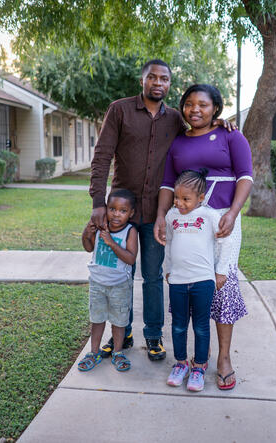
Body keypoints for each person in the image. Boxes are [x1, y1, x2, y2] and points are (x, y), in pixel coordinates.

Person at [89, 60, 235, 362]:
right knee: (120, 273)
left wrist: (220, 124)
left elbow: (198, 130)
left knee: (153, 275)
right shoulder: (120, 110)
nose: (158, 82)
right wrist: (97, 203)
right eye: (152, 77)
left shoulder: (174, 120)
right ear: (142, 80)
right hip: (123, 210)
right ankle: (122, 330)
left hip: (160, 211)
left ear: (170, 84)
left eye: (164, 78)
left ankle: (153, 337)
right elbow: (102, 156)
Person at [154, 84, 253, 390]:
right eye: (189, 104)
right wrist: (160, 215)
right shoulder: (178, 142)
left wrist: (233, 213)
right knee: (189, 285)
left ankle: (223, 358)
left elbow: (246, 176)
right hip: (187, 225)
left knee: (221, 284)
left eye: (203, 104)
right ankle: (190, 359)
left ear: (216, 108)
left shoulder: (230, 135)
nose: (195, 109)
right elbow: (168, 184)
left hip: (222, 221)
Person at [163, 169, 232, 392]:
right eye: (176, 197)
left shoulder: (211, 216)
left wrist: (220, 272)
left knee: (201, 327)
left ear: (200, 198)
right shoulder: (171, 216)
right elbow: (169, 244)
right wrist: (168, 269)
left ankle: (199, 367)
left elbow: (224, 243)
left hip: (203, 281)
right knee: (179, 325)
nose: (179, 203)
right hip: (178, 281)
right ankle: (181, 363)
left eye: (186, 199)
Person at [79, 189, 138, 372]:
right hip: (97, 283)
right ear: (106, 209)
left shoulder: (130, 231)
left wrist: (111, 242)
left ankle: (118, 352)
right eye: (112, 209)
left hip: (119, 285)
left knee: (119, 321)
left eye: (122, 210)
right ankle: (94, 353)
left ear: (131, 213)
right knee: (97, 320)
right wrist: (86, 233)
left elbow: (130, 258)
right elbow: (89, 248)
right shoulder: (100, 226)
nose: (116, 214)